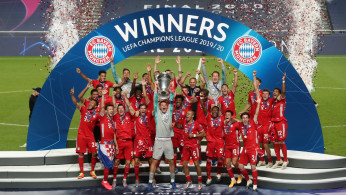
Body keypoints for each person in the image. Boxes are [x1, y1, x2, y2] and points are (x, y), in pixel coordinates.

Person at [146, 84, 176, 191]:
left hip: (168, 140)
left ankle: (172, 181)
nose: (163, 106)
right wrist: (155, 89)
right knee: (154, 161)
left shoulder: (170, 111)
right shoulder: (157, 112)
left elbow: (171, 100)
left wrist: (171, 91)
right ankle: (150, 182)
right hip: (158, 140)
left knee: (171, 161)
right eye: (161, 105)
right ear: (159, 106)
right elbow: (155, 101)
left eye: (165, 105)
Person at [70, 88, 99, 180]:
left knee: (94, 153)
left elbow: (103, 111)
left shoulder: (96, 114)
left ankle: (92, 170)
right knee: (81, 153)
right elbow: (76, 103)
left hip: (90, 136)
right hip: (81, 135)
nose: (90, 104)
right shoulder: (83, 109)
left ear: (95, 106)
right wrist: (72, 95)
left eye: (92, 104)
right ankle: (81, 172)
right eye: (90, 103)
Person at [237, 92, 262, 191]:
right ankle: (248, 180)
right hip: (245, 149)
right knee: (240, 166)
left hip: (253, 148)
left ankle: (255, 184)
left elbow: (256, 113)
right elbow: (235, 121)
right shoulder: (240, 126)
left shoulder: (253, 123)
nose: (245, 119)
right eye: (243, 118)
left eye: (246, 118)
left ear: (248, 118)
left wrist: (259, 104)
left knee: (253, 167)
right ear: (242, 119)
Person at [112, 93, 136, 188]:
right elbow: (114, 105)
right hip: (120, 142)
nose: (121, 110)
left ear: (124, 109)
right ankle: (114, 179)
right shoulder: (115, 116)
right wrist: (113, 96)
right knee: (117, 161)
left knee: (128, 162)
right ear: (117, 110)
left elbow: (129, 106)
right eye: (119, 109)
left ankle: (124, 179)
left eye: (122, 108)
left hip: (129, 142)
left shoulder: (128, 115)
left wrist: (125, 97)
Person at [98, 90, 119, 190]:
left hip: (111, 145)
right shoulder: (103, 117)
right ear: (106, 111)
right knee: (107, 164)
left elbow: (114, 134)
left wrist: (116, 145)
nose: (111, 110)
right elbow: (102, 107)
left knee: (109, 164)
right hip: (104, 145)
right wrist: (102, 95)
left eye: (112, 109)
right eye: (109, 109)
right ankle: (105, 181)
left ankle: (105, 180)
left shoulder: (112, 120)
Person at [253, 72, 275, 168]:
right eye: (264, 94)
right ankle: (261, 160)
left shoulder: (271, 101)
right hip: (259, 125)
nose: (265, 95)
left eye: (266, 94)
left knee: (265, 144)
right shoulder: (260, 100)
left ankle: (270, 161)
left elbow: (279, 96)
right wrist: (254, 76)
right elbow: (256, 88)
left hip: (267, 125)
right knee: (258, 144)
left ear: (269, 95)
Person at [181, 110, 205, 190]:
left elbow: (203, 133)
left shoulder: (196, 124)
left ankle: (200, 182)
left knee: (196, 164)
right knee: (184, 164)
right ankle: (189, 181)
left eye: (188, 114)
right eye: (186, 114)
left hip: (194, 146)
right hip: (186, 147)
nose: (186, 115)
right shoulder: (184, 123)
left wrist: (194, 135)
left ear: (192, 116)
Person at [270, 73, 289, 169]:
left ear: (279, 94)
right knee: (275, 142)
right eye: (273, 91)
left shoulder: (282, 100)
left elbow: (284, 91)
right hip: (273, 123)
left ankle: (285, 160)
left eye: (276, 92)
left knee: (281, 142)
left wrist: (283, 81)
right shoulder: (273, 103)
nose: (274, 92)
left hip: (281, 122)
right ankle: (278, 159)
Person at [202, 105, 225, 186]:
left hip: (219, 141)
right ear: (211, 111)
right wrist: (202, 98)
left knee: (219, 158)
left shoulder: (222, 118)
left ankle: (218, 173)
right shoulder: (208, 117)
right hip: (211, 141)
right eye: (213, 110)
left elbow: (230, 119)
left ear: (218, 112)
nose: (215, 112)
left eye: (216, 110)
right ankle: (208, 177)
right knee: (209, 159)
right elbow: (204, 108)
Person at [133, 103, 154, 187]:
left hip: (148, 141)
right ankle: (137, 179)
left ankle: (152, 178)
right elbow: (130, 108)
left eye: (144, 108)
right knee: (137, 161)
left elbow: (155, 109)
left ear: (146, 109)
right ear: (139, 109)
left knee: (151, 161)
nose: (143, 110)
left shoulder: (149, 115)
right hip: (138, 141)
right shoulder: (136, 115)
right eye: (141, 108)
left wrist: (158, 99)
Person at [223, 110, 242, 188]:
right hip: (227, 146)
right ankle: (233, 179)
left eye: (229, 115)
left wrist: (235, 119)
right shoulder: (224, 125)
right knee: (227, 163)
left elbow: (241, 123)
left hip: (235, 145)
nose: (227, 116)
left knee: (234, 163)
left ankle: (240, 175)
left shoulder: (236, 124)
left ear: (231, 116)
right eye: (226, 114)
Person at [172, 95, 191, 172]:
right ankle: (175, 167)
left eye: (179, 100)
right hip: (173, 133)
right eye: (176, 100)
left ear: (182, 102)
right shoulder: (172, 110)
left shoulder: (185, 111)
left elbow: (188, 123)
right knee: (174, 150)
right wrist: (175, 124)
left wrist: (182, 126)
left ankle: (184, 166)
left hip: (182, 134)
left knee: (183, 150)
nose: (178, 102)